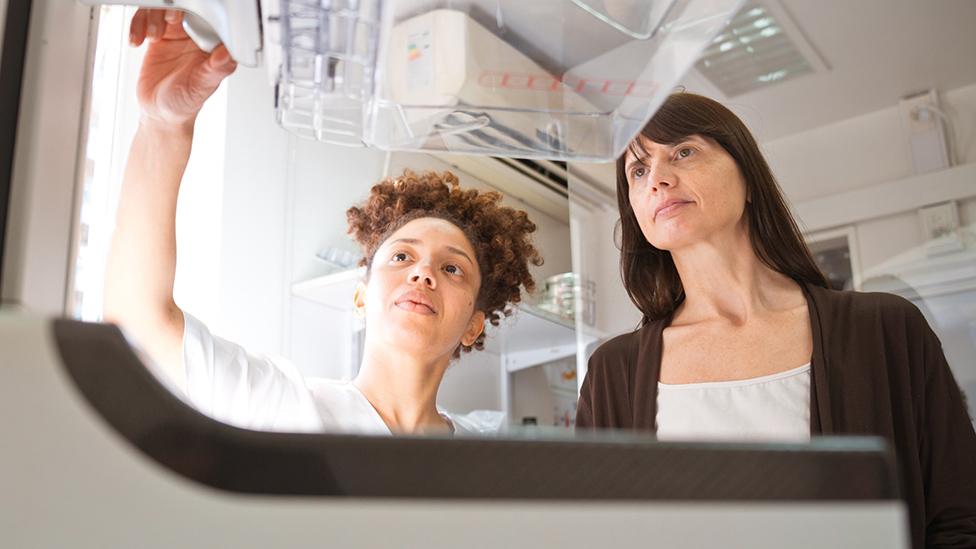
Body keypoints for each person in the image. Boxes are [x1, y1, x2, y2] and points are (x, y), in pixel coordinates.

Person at [104, 9, 542, 435]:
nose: (422, 273)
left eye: (452, 269)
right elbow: (138, 324)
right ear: (360, 296)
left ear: (473, 325)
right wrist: (163, 125)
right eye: (402, 255)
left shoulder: (488, 455)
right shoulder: (283, 411)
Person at [574, 92, 976, 547]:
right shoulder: (614, 373)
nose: (658, 179)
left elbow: (959, 517)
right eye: (638, 169)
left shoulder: (886, 329)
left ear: (748, 178)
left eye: (683, 152)